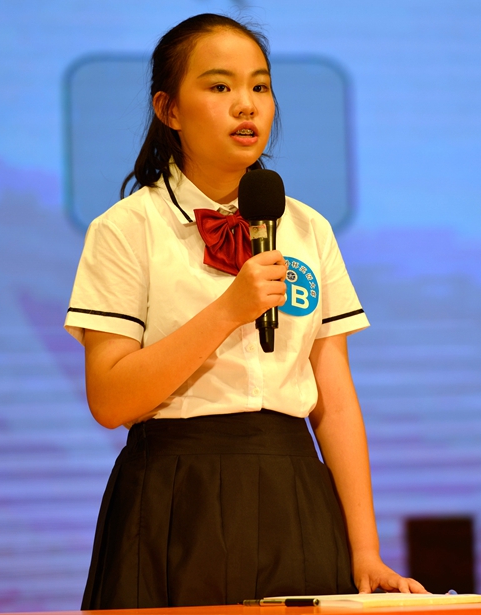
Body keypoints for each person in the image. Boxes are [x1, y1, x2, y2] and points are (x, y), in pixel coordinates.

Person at [65, 12, 426, 609]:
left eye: (260, 86)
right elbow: (109, 399)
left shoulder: (308, 228)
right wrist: (227, 311)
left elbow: (334, 398)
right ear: (168, 109)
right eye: (219, 86)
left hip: (293, 489)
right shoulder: (127, 228)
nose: (246, 105)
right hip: (174, 496)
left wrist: (365, 549)